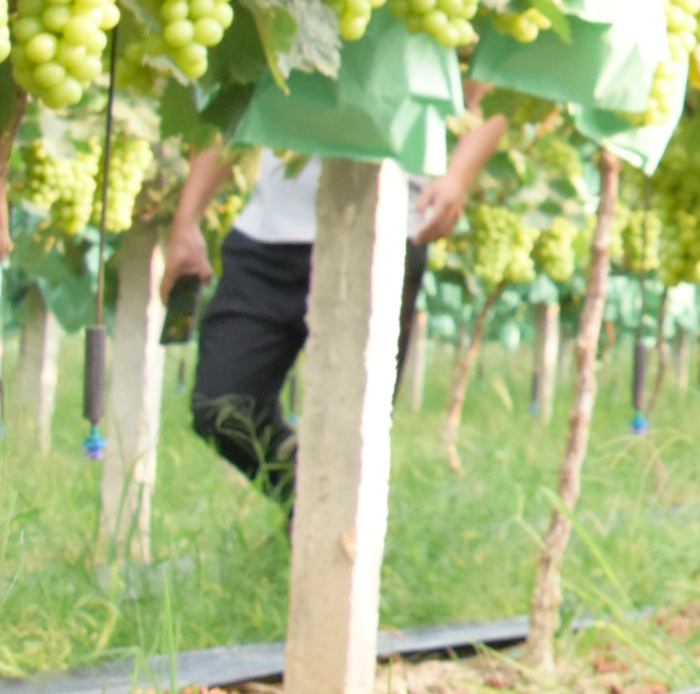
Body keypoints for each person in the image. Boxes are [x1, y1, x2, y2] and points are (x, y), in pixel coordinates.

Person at [164, 115, 504, 503]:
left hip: (383, 230)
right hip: (268, 232)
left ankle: (323, 539)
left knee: (352, 433)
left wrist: (458, 176)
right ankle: (310, 510)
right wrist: (187, 220)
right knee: (220, 405)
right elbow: (231, 103)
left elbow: (487, 90)